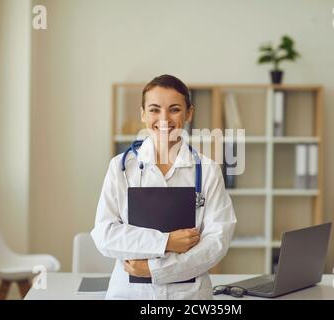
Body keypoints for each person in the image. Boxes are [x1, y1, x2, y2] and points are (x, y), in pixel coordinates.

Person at [91, 74, 237, 299]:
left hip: (189, 296)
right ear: (143, 114)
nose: (164, 118)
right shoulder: (120, 167)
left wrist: (154, 270)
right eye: (154, 109)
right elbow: (105, 235)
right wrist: (167, 241)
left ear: (189, 113)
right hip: (130, 293)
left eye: (174, 109)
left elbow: (216, 242)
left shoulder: (207, 170)